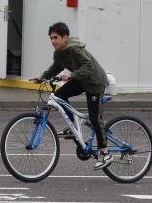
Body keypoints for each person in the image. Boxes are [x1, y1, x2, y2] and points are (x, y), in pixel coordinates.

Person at [31, 22, 112, 169]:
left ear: (65, 37)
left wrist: (71, 75)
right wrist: (42, 77)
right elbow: (56, 67)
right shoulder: (59, 53)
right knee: (59, 96)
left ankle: (105, 153)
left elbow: (89, 66)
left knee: (94, 117)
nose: (53, 41)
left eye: (55, 37)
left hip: (95, 81)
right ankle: (73, 126)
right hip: (81, 80)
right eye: (51, 38)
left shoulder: (74, 49)